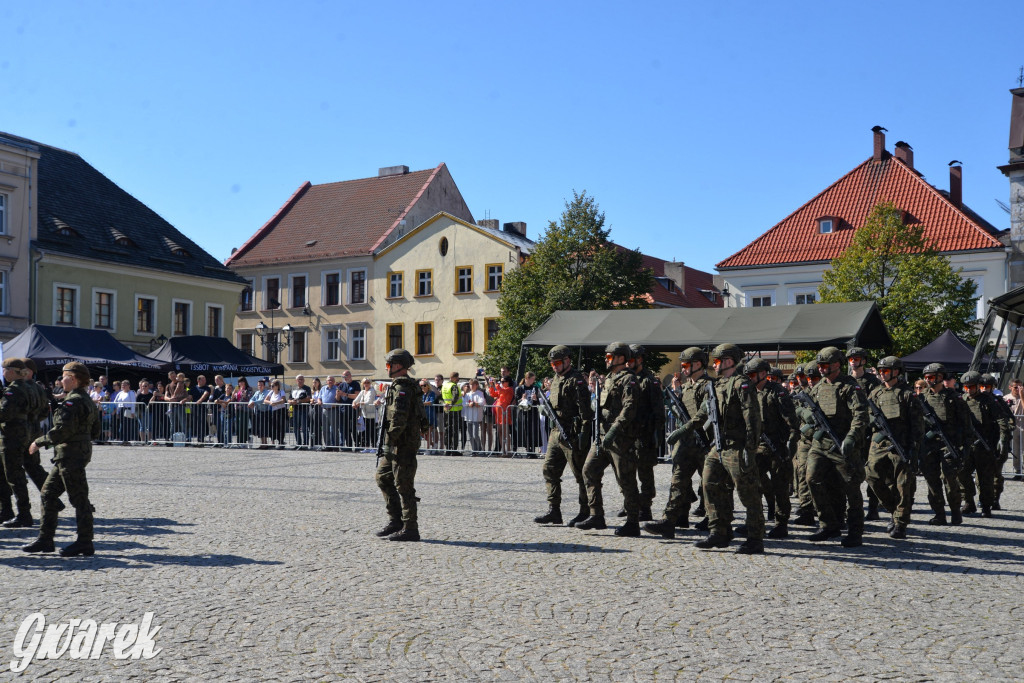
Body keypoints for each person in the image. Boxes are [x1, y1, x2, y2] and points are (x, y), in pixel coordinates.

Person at [674, 344, 765, 554]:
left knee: (747, 492)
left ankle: (755, 538)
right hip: (718, 445)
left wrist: (750, 448)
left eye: (717, 361)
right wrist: (685, 429)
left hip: (737, 446)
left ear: (729, 361)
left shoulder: (742, 384)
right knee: (710, 485)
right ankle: (719, 532)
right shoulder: (716, 385)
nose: (714, 365)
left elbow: (752, 418)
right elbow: (703, 414)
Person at [23, 361, 100, 557]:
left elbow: (62, 431)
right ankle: (45, 539)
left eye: (64, 377)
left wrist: (39, 442)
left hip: (70, 455)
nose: (61, 380)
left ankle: (85, 542)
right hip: (73, 454)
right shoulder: (88, 400)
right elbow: (96, 431)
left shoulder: (73, 402)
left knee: (79, 499)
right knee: (48, 494)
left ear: (73, 379)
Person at [798, 347, 869, 548]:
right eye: (819, 365)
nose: (821, 369)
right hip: (820, 444)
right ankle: (828, 524)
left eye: (825, 365)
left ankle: (856, 531)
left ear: (837, 364)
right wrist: (805, 416)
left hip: (842, 445)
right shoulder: (819, 387)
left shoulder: (849, 387)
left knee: (851, 488)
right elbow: (802, 406)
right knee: (812, 479)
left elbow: (861, 415)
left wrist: (852, 438)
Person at [647, 347, 713, 539]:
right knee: (678, 482)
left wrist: (684, 429)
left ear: (698, 364)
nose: (683, 369)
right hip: (687, 443)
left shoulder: (709, 385)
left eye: (685, 365)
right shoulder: (687, 386)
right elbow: (681, 413)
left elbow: (704, 413)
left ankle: (714, 520)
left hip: (705, 442)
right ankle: (669, 521)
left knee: (709, 485)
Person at [579, 342, 642, 536]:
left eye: (609, 357)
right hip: (601, 436)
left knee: (626, 480)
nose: (606, 360)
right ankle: (596, 515)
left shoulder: (629, 380)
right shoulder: (608, 379)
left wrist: (614, 430)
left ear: (621, 358)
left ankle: (633, 522)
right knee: (589, 470)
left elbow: (630, 408)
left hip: (620, 437)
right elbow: (600, 406)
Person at [533, 345, 594, 527]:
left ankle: (586, 511)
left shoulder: (577, 381)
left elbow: (586, 412)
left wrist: (584, 433)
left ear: (568, 360)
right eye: (552, 364)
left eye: (557, 363)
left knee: (580, 475)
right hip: (555, 432)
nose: (554, 366)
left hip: (572, 433)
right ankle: (554, 510)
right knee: (549, 469)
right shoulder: (555, 379)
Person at [864, 356, 923, 539]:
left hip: (901, 445)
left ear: (896, 372)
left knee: (903, 486)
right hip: (879, 444)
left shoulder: (907, 395)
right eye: (880, 371)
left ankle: (901, 524)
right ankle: (894, 511)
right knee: (871, 476)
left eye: (886, 371)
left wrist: (914, 448)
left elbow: (917, 425)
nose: (882, 374)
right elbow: (866, 416)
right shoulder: (876, 393)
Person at [375, 349, 429, 542]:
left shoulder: (402, 387)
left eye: (389, 365)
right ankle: (396, 521)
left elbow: (399, 419)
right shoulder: (400, 385)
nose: (387, 368)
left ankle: (410, 528)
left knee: (404, 485)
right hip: (396, 444)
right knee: (382, 477)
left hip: (402, 444)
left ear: (398, 366)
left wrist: (389, 442)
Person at [744, 357, 799, 539]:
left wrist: (790, 445)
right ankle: (753, 520)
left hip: (776, 447)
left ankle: (781, 524)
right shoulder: (749, 392)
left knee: (780, 487)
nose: (750, 378)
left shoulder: (777, 393)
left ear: (763, 374)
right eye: (749, 375)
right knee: (752, 483)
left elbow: (791, 422)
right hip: (757, 447)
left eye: (753, 374)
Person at [918, 363, 969, 526]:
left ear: (940, 377)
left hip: (949, 445)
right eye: (926, 377)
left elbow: (966, 425)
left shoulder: (954, 398)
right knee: (931, 480)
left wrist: (964, 449)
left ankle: (955, 511)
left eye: (931, 377)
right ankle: (939, 513)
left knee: (949, 479)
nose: (928, 380)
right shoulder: (921, 398)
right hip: (928, 444)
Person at [959, 371, 1011, 518]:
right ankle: (968, 501)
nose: (969, 390)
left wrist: (1002, 440)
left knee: (985, 478)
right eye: (966, 387)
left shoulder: (988, 401)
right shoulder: (961, 400)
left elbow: (1002, 421)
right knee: (961, 473)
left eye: (972, 387)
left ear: (978, 386)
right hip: (967, 445)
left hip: (984, 445)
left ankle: (986, 505)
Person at [624, 344, 665, 522]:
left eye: (631, 360)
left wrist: (656, 435)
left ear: (640, 360)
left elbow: (658, 411)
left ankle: (645, 507)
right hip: (628, 434)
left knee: (644, 473)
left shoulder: (650, 381)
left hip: (644, 434)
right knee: (626, 471)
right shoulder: (626, 378)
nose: (627, 364)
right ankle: (631, 503)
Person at [1, 358, 39, 527]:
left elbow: (4, 414)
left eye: (4, 370)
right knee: (17, 474)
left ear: (11, 371)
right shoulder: (27, 387)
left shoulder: (13, 390)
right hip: (24, 432)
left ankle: (24, 513)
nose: (3, 373)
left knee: (14, 475)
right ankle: (22, 512)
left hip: (12, 434)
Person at [980, 373, 1016, 508]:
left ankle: (995, 498)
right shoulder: (975, 401)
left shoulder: (998, 401)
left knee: (996, 472)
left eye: (987, 386)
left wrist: (1007, 429)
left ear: (993, 387)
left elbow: (1011, 419)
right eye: (981, 386)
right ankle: (984, 499)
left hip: (997, 441)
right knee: (981, 474)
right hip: (981, 441)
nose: (984, 389)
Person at [489, 376, 515, 457]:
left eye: (503, 381)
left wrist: (496, 383)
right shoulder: (502, 389)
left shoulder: (509, 389)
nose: (502, 383)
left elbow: (501, 390)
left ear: (508, 382)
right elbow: (493, 394)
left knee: (506, 432)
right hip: (499, 414)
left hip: (505, 413)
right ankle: (503, 450)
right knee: (500, 432)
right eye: (501, 382)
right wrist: (491, 386)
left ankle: (509, 451)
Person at [353, 378, 380, 450]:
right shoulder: (362, 392)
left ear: (370, 383)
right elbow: (356, 400)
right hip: (365, 414)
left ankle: (374, 447)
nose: (366, 384)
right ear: (362, 383)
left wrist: (359, 403)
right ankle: (367, 447)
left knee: (373, 431)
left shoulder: (372, 391)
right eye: (365, 382)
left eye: (368, 382)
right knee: (366, 431)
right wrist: (354, 403)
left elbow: (368, 402)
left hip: (372, 414)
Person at [441, 372, 463, 455]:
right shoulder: (454, 386)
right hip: (454, 410)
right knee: (455, 430)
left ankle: (448, 449)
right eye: (457, 377)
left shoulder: (445, 385)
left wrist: (444, 404)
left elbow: (441, 397)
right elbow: (456, 396)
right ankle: (454, 450)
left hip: (446, 410)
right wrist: (451, 405)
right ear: (453, 377)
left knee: (447, 429)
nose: (458, 379)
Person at [337, 371, 360, 449]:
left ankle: (357, 445)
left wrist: (345, 394)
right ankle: (349, 446)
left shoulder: (355, 384)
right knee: (345, 429)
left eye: (346, 376)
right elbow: (337, 399)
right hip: (343, 410)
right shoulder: (341, 385)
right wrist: (337, 394)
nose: (344, 378)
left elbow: (357, 396)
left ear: (350, 375)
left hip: (352, 409)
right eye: (343, 377)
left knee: (353, 428)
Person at [462, 379, 487, 454]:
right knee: (470, 435)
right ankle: (474, 450)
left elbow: (482, 402)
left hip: (476, 417)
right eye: (470, 384)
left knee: (475, 434)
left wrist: (476, 404)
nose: (471, 386)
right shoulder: (468, 394)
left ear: (476, 385)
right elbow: (464, 402)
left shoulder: (479, 393)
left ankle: (479, 449)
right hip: (468, 416)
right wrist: (468, 404)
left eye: (473, 384)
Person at [289, 375, 313, 448]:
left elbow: (308, 398)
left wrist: (299, 401)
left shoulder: (307, 388)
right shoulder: (293, 388)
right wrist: (291, 402)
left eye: (302, 379)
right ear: (296, 380)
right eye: (299, 379)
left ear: (304, 380)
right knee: (296, 428)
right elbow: (289, 399)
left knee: (304, 428)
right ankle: (298, 443)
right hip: (295, 410)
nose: (300, 380)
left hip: (304, 410)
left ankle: (305, 444)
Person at [265, 379, 288, 446]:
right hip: (274, 411)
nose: (272, 387)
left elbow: (283, 400)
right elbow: (265, 400)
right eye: (271, 385)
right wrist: (270, 402)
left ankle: (281, 441)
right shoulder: (271, 392)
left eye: (273, 385)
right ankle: (273, 441)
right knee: (274, 426)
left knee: (281, 426)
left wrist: (275, 403)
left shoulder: (281, 392)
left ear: (277, 386)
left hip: (281, 410)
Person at [232, 378, 253, 445]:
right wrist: (234, 393)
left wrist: (245, 395)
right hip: (237, 409)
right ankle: (240, 440)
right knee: (238, 425)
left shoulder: (249, 389)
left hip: (245, 409)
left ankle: (244, 440)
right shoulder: (237, 389)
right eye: (239, 382)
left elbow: (250, 397)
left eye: (242, 382)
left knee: (244, 425)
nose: (240, 383)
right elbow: (233, 398)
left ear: (245, 382)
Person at [420, 379, 439, 452]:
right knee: (422, 433)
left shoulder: (431, 393)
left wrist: (423, 404)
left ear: (428, 386)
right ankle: (433, 444)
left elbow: (431, 402)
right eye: (421, 386)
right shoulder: (421, 394)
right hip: (423, 416)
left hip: (430, 415)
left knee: (428, 432)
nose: (423, 387)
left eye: (424, 385)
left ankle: (428, 449)